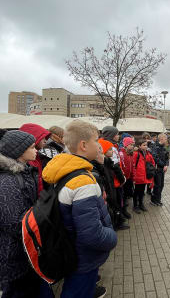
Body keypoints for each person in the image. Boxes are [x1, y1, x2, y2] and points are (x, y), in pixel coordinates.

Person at [42, 120, 117, 298]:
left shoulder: (64, 168)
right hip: (83, 256)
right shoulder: (82, 181)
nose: (99, 145)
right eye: (96, 140)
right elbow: (92, 234)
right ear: (83, 145)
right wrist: (112, 237)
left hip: (69, 247)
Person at [0, 129, 53, 297]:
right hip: (11, 255)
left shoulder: (21, 172)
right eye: (33, 147)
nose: (37, 150)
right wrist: (41, 217)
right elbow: (13, 223)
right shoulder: (7, 181)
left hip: (22, 252)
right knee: (16, 292)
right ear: (19, 151)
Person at [98, 139, 129, 230]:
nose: (112, 151)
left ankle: (117, 222)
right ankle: (115, 224)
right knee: (113, 207)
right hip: (110, 190)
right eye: (110, 150)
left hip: (112, 189)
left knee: (116, 205)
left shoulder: (108, 161)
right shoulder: (104, 164)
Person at [19, 123, 51, 194]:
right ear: (35, 137)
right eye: (43, 138)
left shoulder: (37, 157)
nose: (45, 141)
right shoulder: (28, 161)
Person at [132, 139, 155, 214]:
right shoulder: (136, 154)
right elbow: (133, 166)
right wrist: (134, 177)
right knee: (136, 192)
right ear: (139, 146)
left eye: (146, 145)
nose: (145, 146)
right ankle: (135, 206)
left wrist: (151, 170)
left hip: (145, 176)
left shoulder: (148, 154)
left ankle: (141, 204)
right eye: (144, 145)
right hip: (138, 177)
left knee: (142, 191)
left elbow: (152, 162)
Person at [150, 133, 169, 206]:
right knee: (157, 185)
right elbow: (155, 157)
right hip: (157, 169)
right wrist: (163, 165)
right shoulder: (155, 147)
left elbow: (167, 157)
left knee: (161, 185)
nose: (166, 140)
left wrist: (166, 165)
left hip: (162, 169)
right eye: (165, 138)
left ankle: (158, 200)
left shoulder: (164, 147)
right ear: (161, 139)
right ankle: (153, 200)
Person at [119, 137, 135, 211]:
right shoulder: (121, 154)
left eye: (132, 144)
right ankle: (123, 206)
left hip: (129, 177)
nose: (132, 146)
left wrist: (133, 176)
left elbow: (132, 166)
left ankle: (125, 203)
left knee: (127, 192)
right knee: (123, 193)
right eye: (130, 144)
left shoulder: (131, 154)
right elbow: (121, 166)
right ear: (125, 145)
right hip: (123, 177)